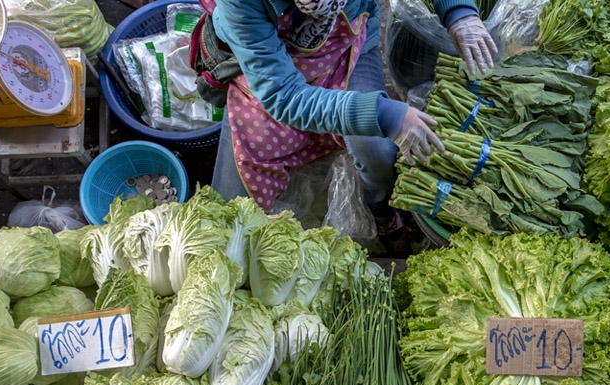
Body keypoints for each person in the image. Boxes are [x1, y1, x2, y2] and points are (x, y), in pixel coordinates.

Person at [203, 0, 497, 235]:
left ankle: (379, 207)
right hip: (274, 75)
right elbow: (284, 96)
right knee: (229, 210)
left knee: (378, 154)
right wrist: (382, 113)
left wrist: (459, 13)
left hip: (345, 47)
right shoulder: (239, 5)